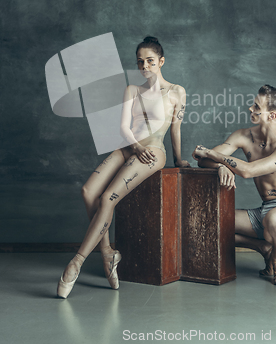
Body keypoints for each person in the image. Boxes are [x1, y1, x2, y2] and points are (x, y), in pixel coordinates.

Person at [57, 36, 190, 298]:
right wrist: (135, 148)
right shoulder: (132, 90)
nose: (145, 66)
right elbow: (123, 128)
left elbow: (176, 128)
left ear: (161, 61)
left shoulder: (177, 91)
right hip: (128, 147)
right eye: (141, 61)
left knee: (108, 197)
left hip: (153, 151)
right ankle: (108, 254)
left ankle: (76, 263)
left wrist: (178, 159)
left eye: (150, 61)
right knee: (88, 191)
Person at [192, 85, 276, 286]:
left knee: (275, 219)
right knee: (209, 222)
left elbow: (247, 171)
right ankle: (263, 248)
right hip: (262, 213)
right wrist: (220, 165)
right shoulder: (244, 136)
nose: (250, 109)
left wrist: (214, 155)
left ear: (271, 116)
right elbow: (201, 160)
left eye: (256, 106)